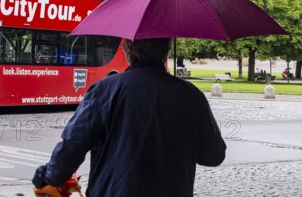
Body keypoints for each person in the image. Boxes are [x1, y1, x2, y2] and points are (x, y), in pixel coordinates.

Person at [32, 38, 226, 197]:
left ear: (127, 49)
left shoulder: (105, 90)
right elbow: (213, 155)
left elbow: (73, 144)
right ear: (167, 50)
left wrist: (48, 177)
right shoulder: (190, 95)